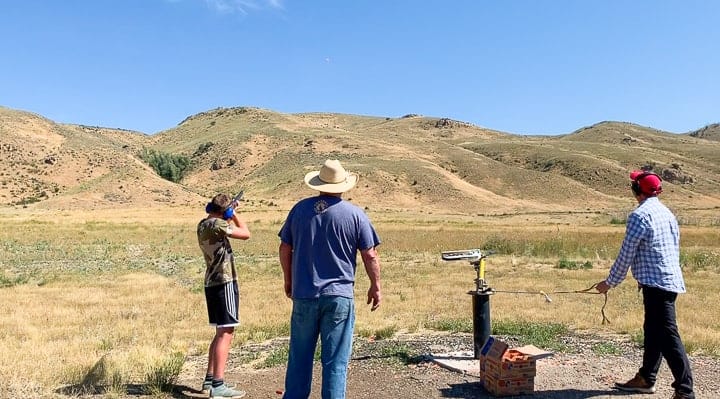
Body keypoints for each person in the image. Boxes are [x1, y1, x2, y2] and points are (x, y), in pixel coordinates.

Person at [278, 159, 382, 399]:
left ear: (318, 184)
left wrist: (289, 279)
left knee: (299, 358)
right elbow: (370, 254)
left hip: (304, 294)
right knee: (335, 361)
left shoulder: (299, 209)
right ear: (343, 186)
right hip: (339, 296)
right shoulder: (355, 215)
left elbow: (285, 247)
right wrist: (375, 286)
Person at [596, 171, 694, 399]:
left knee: (668, 336)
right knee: (653, 331)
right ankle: (646, 378)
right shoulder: (666, 213)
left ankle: (685, 391)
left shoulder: (639, 216)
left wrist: (609, 283)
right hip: (668, 281)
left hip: (656, 284)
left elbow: (626, 254)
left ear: (636, 190)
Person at [197, 193, 251, 398]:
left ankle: (209, 380)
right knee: (227, 332)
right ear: (224, 211)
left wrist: (227, 214)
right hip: (224, 281)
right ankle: (218, 385)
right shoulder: (219, 225)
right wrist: (234, 214)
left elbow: (217, 226)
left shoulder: (203, 224)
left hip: (211, 282)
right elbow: (246, 234)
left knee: (219, 332)